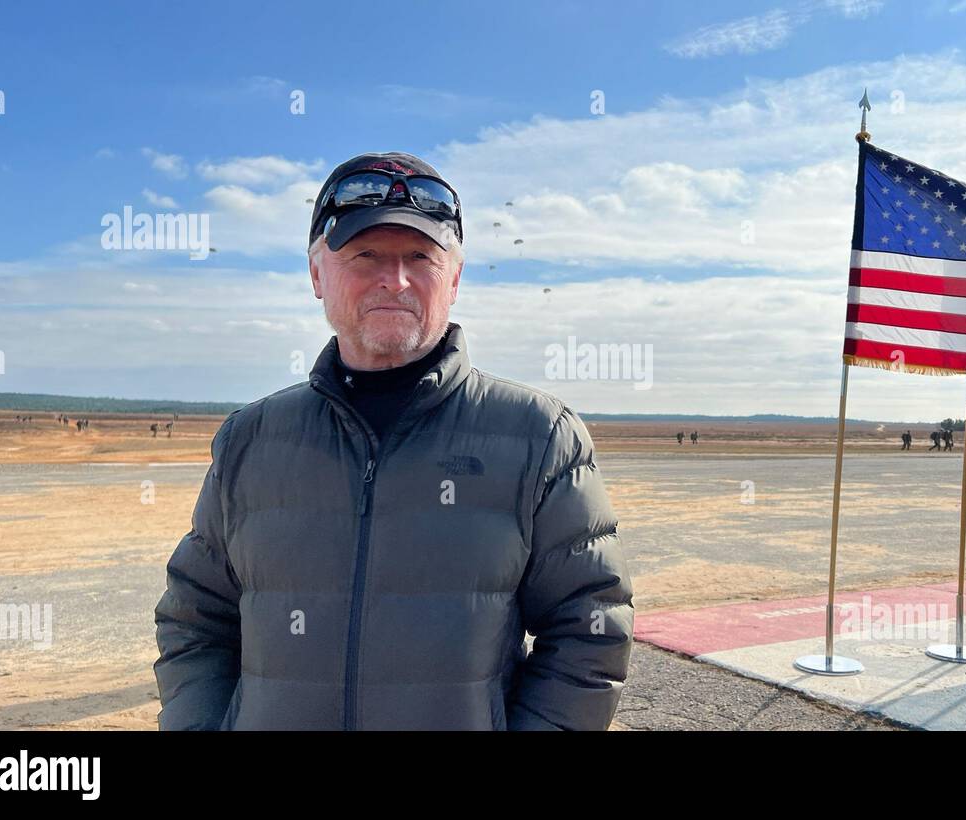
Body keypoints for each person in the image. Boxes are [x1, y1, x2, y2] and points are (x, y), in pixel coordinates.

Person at [154, 151, 633, 731]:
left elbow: (591, 627)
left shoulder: (538, 436)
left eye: (420, 257)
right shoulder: (251, 441)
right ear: (316, 274)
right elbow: (194, 622)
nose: (395, 278)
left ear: (453, 279)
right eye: (365, 254)